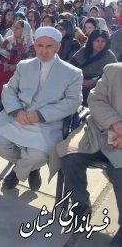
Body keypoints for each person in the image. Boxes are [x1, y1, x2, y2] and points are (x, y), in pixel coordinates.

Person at [0, 27, 83, 191]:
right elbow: (9, 89)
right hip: (18, 118)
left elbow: (73, 102)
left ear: (58, 47)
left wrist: (40, 115)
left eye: (49, 46)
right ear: (35, 45)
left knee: (37, 156)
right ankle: (29, 168)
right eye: (40, 46)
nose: (44, 51)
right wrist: (17, 111)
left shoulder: (73, 73)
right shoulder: (24, 66)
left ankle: (17, 172)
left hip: (47, 124)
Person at [58, 63, 122, 247]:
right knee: (70, 156)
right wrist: (116, 124)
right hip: (100, 133)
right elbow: (95, 100)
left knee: (119, 173)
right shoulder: (114, 70)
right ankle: (81, 206)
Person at [69, 30, 118, 106]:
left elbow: (114, 75)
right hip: (80, 81)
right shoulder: (84, 51)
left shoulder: (109, 56)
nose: (100, 44)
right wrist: (80, 80)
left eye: (103, 41)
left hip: (100, 85)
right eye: (97, 41)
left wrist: (96, 82)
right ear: (92, 41)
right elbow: (71, 67)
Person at [0, 20, 34, 100]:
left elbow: (29, 61)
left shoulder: (30, 45)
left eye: (17, 28)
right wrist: (5, 63)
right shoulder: (9, 40)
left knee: (12, 78)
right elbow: (4, 54)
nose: (14, 30)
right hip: (8, 65)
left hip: (21, 68)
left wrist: (15, 66)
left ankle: (10, 100)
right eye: (14, 28)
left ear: (24, 30)